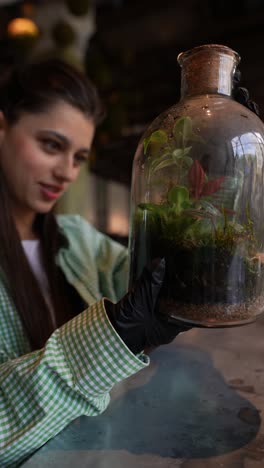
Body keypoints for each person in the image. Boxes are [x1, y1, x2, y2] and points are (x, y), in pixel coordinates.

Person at [0, 59, 259, 467]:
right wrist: (113, 338)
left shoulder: (76, 239)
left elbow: (154, 279)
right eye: (51, 145)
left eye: (79, 156)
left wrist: (227, 151)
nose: (66, 171)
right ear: (2, 127)